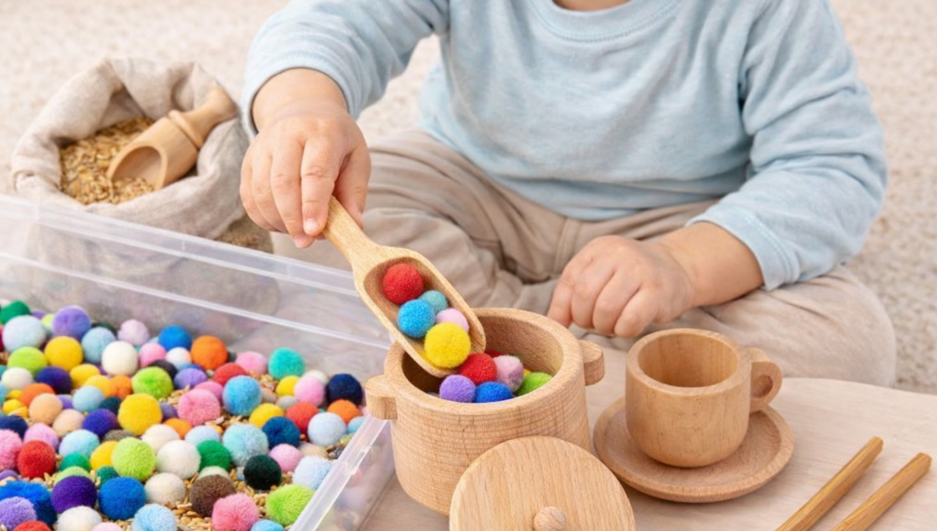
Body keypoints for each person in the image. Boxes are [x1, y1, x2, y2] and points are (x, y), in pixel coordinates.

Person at [239, 0, 896, 384]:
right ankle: (557, 352)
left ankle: (508, 350)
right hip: (475, 179)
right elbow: (330, 22)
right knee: (309, 212)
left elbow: (831, 166)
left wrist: (685, 266)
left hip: (682, 220)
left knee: (850, 342)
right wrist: (302, 107)